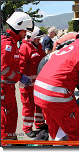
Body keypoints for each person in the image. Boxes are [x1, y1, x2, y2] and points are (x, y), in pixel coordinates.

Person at [34, 25, 79, 143]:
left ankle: (55, 144)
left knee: (54, 126)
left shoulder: (67, 48)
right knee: (77, 132)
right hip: (54, 95)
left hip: (38, 91)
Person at [1, 11, 33, 142]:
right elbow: (3, 70)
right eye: (24, 30)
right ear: (18, 27)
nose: (25, 34)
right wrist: (19, 77)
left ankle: (11, 138)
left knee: (12, 115)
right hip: (4, 87)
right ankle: (6, 142)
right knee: (6, 116)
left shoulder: (12, 42)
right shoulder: (7, 43)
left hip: (8, 87)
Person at [19, 26, 47, 138]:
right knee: (28, 107)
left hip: (38, 84)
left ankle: (39, 123)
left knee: (39, 105)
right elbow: (21, 66)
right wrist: (22, 78)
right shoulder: (25, 47)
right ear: (31, 37)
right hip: (27, 85)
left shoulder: (39, 47)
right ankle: (27, 128)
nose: (39, 40)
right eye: (37, 38)